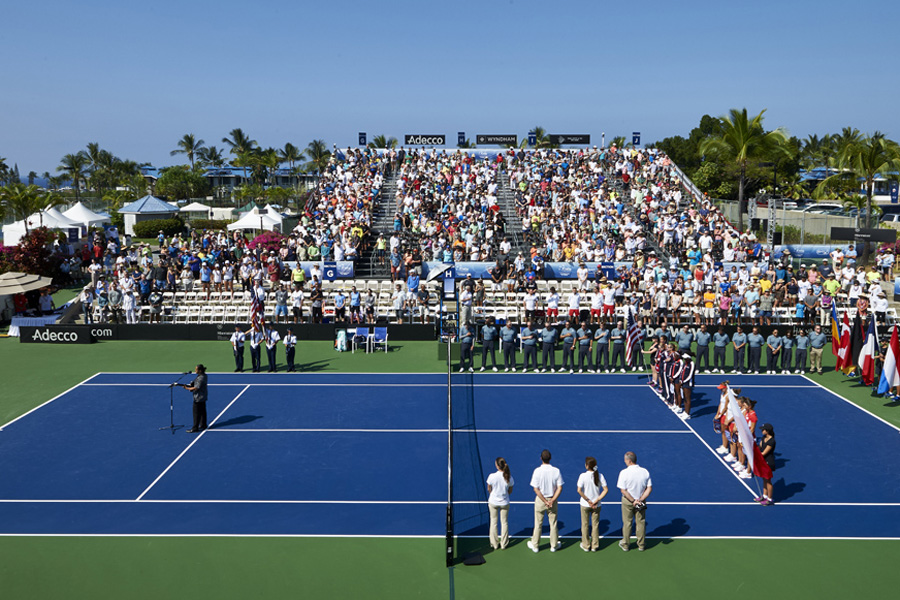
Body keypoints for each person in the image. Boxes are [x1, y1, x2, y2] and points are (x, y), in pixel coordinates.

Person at [528, 449, 564, 553]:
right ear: (550, 458)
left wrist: (544, 500)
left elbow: (535, 489)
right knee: (553, 524)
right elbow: (560, 487)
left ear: (541, 458)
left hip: (540, 500)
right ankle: (554, 546)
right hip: (552, 501)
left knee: (538, 524)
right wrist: (552, 500)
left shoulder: (537, 471)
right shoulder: (556, 471)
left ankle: (535, 546)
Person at [617, 451, 652, 552]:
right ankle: (641, 545)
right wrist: (639, 500)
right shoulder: (645, 471)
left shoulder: (624, 473)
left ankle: (626, 545)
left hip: (628, 502)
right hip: (641, 502)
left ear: (629, 460)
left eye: (625, 459)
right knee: (640, 523)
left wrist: (633, 500)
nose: (624, 461)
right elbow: (649, 488)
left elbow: (623, 490)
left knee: (627, 523)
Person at [577, 456, 608, 552]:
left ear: (586, 466)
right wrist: (596, 500)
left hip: (585, 505)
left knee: (585, 525)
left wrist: (588, 500)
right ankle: (595, 546)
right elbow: (605, 490)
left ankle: (586, 546)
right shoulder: (600, 476)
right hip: (596, 505)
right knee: (595, 525)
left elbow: (579, 490)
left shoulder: (582, 476)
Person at [486, 457, 514, 550]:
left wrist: (493, 494)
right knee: (504, 522)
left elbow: (489, 488)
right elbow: (510, 491)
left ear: (497, 466)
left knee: (493, 522)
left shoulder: (491, 476)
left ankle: (494, 544)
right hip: (504, 503)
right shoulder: (509, 477)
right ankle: (504, 544)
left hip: (493, 502)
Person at [181, 364, 208, 433]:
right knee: (202, 411)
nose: (195, 370)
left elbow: (196, 388)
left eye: (196, 369)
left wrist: (187, 388)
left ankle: (195, 428)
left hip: (198, 398)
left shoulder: (201, 378)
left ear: (200, 370)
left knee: (196, 413)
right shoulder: (203, 376)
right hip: (203, 397)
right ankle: (203, 424)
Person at [757, 423, 777, 506]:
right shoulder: (763, 438)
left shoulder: (772, 441)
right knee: (764, 479)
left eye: (763, 429)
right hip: (763, 462)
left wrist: (754, 453)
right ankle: (764, 496)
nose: (762, 431)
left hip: (769, 463)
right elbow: (759, 447)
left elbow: (763, 453)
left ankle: (769, 499)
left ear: (767, 431)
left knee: (768, 481)